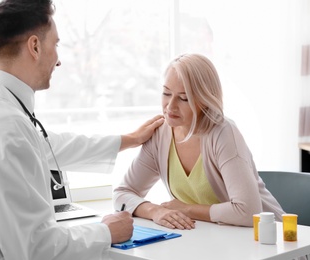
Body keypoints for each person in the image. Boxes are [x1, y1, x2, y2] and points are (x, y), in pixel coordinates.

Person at [0, 1, 164, 260]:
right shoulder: (6, 129)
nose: (58, 59)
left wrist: (128, 140)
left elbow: (48, 145)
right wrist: (105, 232)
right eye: (55, 45)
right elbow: (37, 250)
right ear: (34, 47)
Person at [113, 53, 285, 230]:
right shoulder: (160, 134)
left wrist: (187, 209)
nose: (170, 106)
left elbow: (248, 212)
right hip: (216, 240)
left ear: (204, 100)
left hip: (270, 240)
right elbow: (122, 194)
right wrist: (155, 211)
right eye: (166, 93)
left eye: (184, 98)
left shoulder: (223, 133)